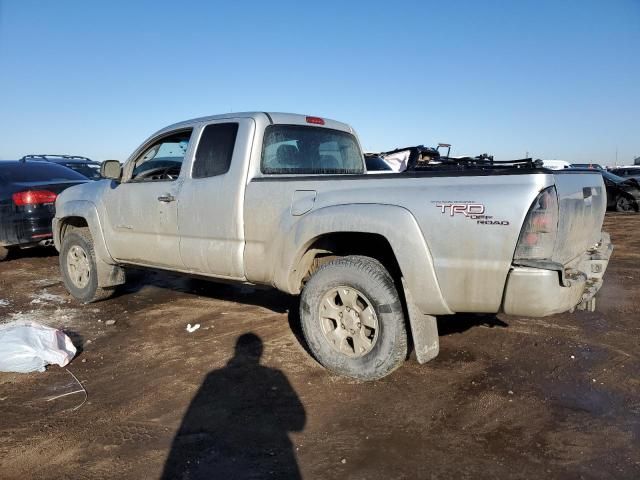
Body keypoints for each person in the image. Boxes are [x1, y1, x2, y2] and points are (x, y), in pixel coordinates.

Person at [161, 333, 306, 480]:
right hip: (267, 458)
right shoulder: (275, 376)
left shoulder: (214, 378)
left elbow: (194, 423)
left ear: (237, 350)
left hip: (229, 460)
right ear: (258, 352)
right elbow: (298, 423)